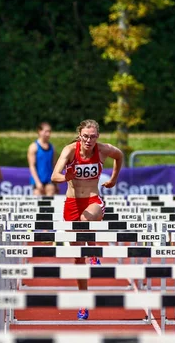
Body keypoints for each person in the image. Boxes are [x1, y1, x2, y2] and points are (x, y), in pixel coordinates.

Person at [51, 119, 123, 320]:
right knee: (77, 257)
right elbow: (54, 176)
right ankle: (83, 303)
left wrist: (114, 179)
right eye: (85, 136)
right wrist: (67, 176)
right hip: (71, 203)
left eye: (92, 136)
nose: (89, 140)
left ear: (97, 136)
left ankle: (93, 247)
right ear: (79, 135)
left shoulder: (103, 150)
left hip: (93, 199)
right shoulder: (69, 150)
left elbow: (120, 156)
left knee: (85, 219)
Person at [28, 122, 58, 196]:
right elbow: (32, 166)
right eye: (46, 131)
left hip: (49, 180)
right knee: (38, 202)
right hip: (37, 180)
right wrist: (37, 182)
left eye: (49, 132)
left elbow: (54, 165)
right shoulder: (34, 147)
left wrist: (56, 183)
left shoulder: (52, 147)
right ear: (39, 131)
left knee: (50, 200)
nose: (48, 134)